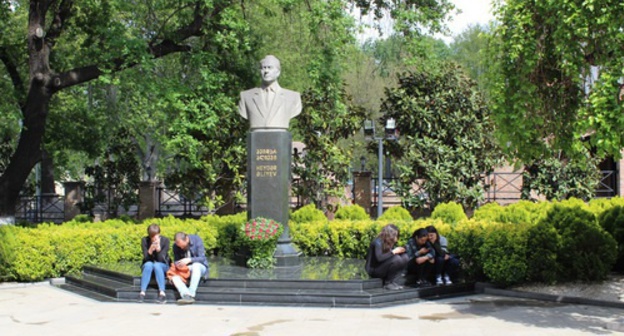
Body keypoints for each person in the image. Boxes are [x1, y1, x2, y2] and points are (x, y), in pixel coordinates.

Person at [238, 55, 302, 130]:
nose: (266, 71)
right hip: (256, 136)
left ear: (278, 72)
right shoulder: (246, 96)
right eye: (263, 68)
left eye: (270, 68)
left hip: (280, 136)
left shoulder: (293, 97)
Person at [365, 224, 408, 290]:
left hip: (382, 267)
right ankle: (388, 283)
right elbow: (380, 258)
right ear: (389, 235)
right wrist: (393, 252)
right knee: (396, 259)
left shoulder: (388, 242)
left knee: (405, 257)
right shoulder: (377, 242)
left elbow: (389, 256)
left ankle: (393, 281)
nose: (396, 239)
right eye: (395, 236)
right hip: (374, 270)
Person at [170, 232, 209, 304]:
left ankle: (191, 293)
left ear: (187, 239)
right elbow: (176, 260)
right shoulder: (175, 246)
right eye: (179, 246)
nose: (181, 248)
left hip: (200, 267)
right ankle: (186, 295)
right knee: (174, 277)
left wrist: (189, 260)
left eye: (182, 246)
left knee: (195, 265)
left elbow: (202, 258)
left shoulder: (197, 240)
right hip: (186, 269)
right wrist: (178, 264)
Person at [138, 224, 170, 304]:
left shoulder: (165, 240)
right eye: (153, 236)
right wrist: (150, 251)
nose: (156, 238)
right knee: (149, 264)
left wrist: (159, 250)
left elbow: (162, 260)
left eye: (157, 235)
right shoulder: (145, 240)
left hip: (163, 265)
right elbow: (146, 258)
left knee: (157, 265)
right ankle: (142, 292)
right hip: (149, 264)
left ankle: (162, 293)